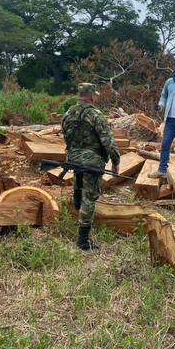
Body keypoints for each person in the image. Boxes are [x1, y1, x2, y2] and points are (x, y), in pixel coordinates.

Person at [61, 83, 121, 250]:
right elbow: (107, 141)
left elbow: (66, 136)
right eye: (95, 94)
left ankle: (77, 211)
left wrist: (75, 153)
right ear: (90, 95)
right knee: (90, 196)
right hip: (92, 160)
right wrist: (116, 161)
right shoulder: (95, 114)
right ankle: (83, 241)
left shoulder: (68, 113)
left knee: (78, 188)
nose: (96, 97)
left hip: (73, 158)